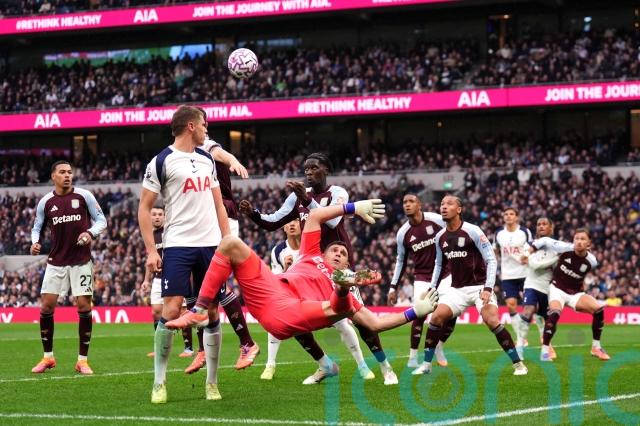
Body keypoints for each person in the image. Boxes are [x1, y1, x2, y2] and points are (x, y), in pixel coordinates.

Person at [167, 199, 439, 399]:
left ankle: (340, 290)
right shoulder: (311, 253)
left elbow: (376, 324)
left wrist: (415, 311)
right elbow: (316, 215)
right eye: (334, 250)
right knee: (230, 243)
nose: (337, 253)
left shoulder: (347, 288)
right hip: (271, 290)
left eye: (343, 254)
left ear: (347, 264)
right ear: (324, 252)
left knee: (339, 305)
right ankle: (200, 309)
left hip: (292, 311)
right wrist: (353, 208)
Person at [239, 153, 398, 384]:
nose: (308, 172)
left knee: (360, 321)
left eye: (314, 168)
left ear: (326, 170)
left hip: (337, 270)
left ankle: (385, 367)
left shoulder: (337, 193)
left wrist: (306, 200)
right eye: (306, 169)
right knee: (295, 321)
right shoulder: (297, 197)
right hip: (311, 271)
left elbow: (332, 221)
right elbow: (273, 221)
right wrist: (253, 214)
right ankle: (325, 365)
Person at [139, 105, 231, 404]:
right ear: (191, 126)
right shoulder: (161, 161)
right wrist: (151, 250)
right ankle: (159, 382)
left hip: (210, 245)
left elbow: (218, 204)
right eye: (204, 124)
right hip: (178, 244)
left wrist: (227, 240)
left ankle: (212, 382)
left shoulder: (206, 159)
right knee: (171, 309)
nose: (207, 129)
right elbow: (144, 208)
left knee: (212, 310)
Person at [413, 195, 527, 376]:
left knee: (492, 321)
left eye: (449, 204)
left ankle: (519, 365)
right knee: (435, 318)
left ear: (459, 209)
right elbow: (439, 265)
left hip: (479, 287)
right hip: (456, 290)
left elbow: (491, 259)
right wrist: (432, 288)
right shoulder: (440, 237)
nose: (443, 207)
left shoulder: (473, 231)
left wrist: (488, 288)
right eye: (442, 204)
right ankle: (426, 365)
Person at [178, 136, 257, 374]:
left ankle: (247, 343)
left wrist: (233, 161)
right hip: (201, 221)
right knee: (199, 290)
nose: (204, 128)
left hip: (222, 219)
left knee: (216, 286)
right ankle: (202, 349)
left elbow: (220, 153)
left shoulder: (206, 146)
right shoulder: (181, 155)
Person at [261, 219, 374, 384]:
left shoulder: (313, 246)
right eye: (288, 222)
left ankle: (362, 365)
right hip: (299, 298)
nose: (292, 225)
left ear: (302, 225)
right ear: (283, 227)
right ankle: (271, 364)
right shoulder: (278, 251)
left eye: (295, 221)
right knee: (281, 321)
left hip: (324, 295)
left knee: (343, 325)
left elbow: (328, 268)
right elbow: (278, 280)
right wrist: (286, 268)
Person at [30, 160, 107, 375]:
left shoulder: (84, 196)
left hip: (81, 261)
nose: (67, 175)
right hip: (56, 262)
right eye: (62, 172)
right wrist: (35, 242)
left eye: (70, 172)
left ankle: (82, 361)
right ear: (53, 176)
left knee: (84, 307)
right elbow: (36, 227)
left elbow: (102, 221)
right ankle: (48, 357)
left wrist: (90, 233)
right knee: (46, 307)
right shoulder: (46, 202)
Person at [387, 194, 455, 368]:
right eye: (404, 202)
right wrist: (393, 287)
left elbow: (453, 230)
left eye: (411, 201)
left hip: (445, 275)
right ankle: (412, 357)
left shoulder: (436, 220)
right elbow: (401, 261)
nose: (407, 204)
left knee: (452, 312)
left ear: (419, 205)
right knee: (419, 314)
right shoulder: (403, 233)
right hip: (422, 278)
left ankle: (439, 346)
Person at [532, 230, 610, 362]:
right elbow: (546, 241)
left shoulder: (592, 261)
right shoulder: (564, 250)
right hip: (557, 289)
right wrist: (532, 247)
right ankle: (545, 351)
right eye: (576, 238)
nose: (579, 241)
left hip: (575, 294)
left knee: (598, 310)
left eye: (583, 239)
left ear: (589, 243)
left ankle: (596, 348)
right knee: (554, 314)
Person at [140, 204, 193, 358]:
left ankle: (188, 348)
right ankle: (160, 347)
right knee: (156, 311)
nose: (157, 217)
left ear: (164, 216)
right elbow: (149, 259)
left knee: (182, 312)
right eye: (154, 214)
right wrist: (146, 280)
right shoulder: (150, 236)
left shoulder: (170, 232)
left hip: (174, 277)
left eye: (160, 214)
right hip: (157, 278)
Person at [515, 217, 557, 360]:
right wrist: (556, 259)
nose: (541, 226)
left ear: (551, 228)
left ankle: (546, 348)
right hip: (532, 285)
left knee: (549, 320)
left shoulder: (557, 247)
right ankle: (519, 347)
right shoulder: (529, 246)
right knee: (528, 311)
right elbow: (535, 265)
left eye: (544, 224)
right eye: (539, 224)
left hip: (549, 288)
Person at [493, 207, 533, 344]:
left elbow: (532, 247)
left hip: (525, 273)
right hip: (508, 274)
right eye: (506, 214)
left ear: (516, 217)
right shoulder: (499, 233)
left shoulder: (524, 232)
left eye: (511, 214)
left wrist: (526, 256)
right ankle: (521, 338)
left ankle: (540, 337)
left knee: (530, 306)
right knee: (511, 305)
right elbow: (495, 249)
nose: (508, 216)